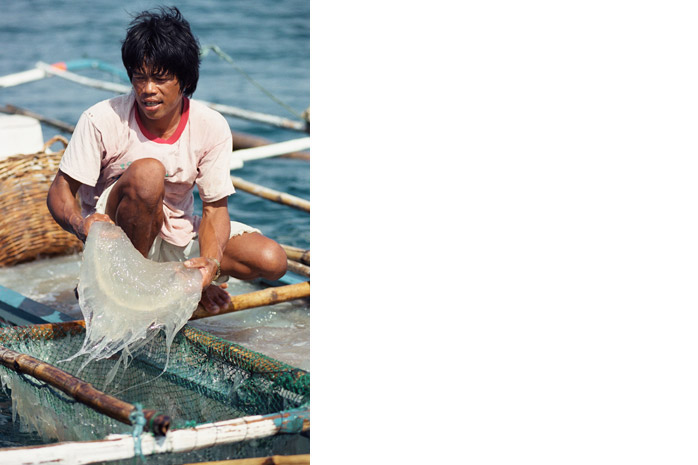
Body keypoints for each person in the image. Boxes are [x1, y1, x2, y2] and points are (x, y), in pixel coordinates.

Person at [47, 6, 287, 315]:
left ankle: (173, 282)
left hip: (177, 233)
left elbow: (214, 210)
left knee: (272, 259)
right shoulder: (101, 118)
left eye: (160, 79)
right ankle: (124, 288)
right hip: (117, 244)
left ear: (185, 80)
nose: (147, 90)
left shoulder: (210, 125)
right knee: (148, 173)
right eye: (139, 77)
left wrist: (208, 267)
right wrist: (81, 225)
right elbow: (59, 191)